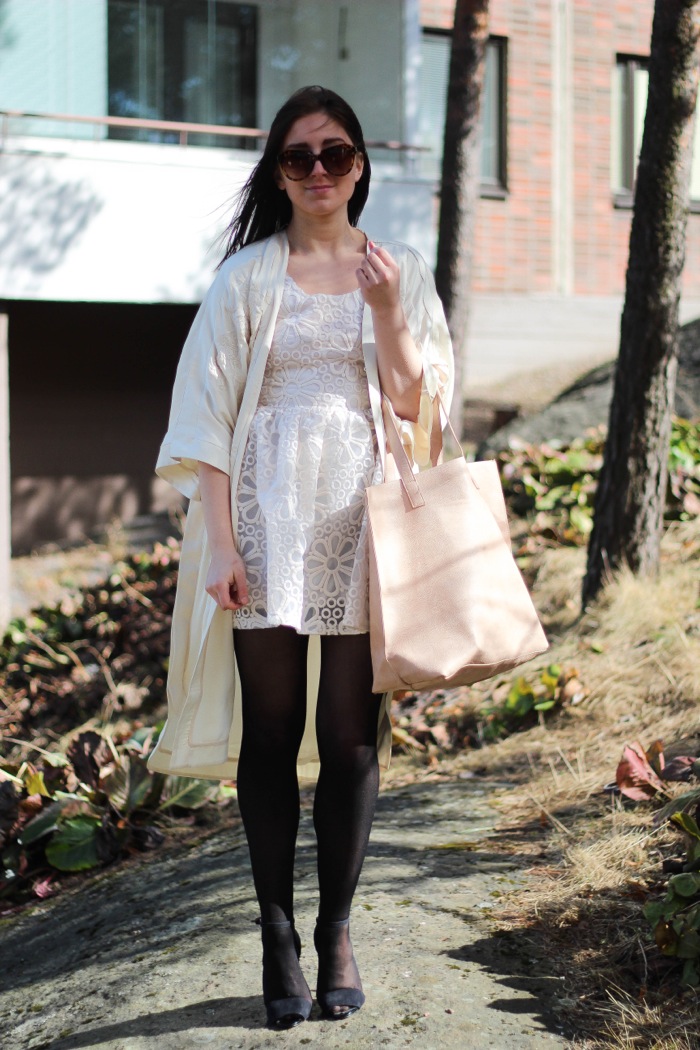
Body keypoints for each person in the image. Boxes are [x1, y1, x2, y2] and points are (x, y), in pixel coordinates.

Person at [148, 85, 454, 1029]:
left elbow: (422, 409)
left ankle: (336, 930)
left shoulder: (398, 271)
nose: (318, 170)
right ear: (278, 174)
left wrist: (390, 309)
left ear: (360, 166)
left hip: (363, 523)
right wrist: (221, 543)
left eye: (336, 154)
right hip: (266, 521)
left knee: (354, 737)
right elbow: (204, 419)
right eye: (298, 156)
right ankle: (277, 930)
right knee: (273, 734)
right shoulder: (246, 277)